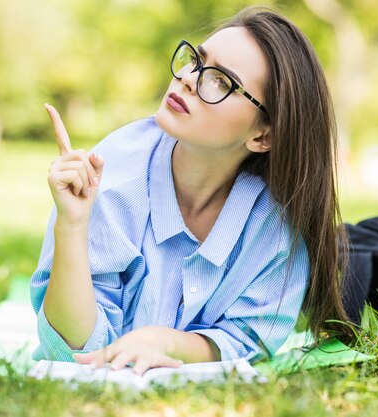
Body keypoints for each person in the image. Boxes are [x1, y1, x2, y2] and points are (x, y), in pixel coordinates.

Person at [30, 6, 349, 375]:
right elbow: (73, 354)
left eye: (221, 81)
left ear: (264, 135)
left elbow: (248, 340)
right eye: (196, 59)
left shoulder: (275, 229)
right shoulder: (113, 176)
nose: (186, 78)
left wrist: (165, 342)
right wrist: (71, 225)